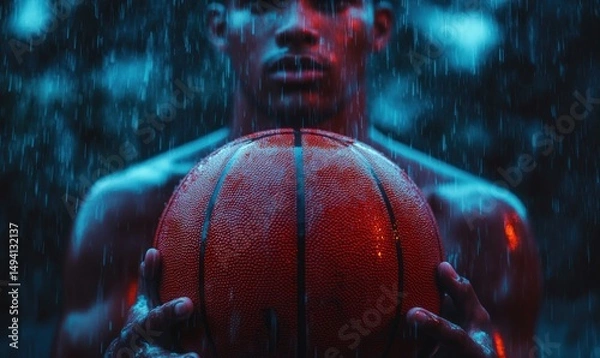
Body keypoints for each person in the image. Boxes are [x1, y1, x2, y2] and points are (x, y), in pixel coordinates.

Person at [54, 0, 543, 356]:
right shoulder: (122, 212)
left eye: (329, 4)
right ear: (220, 27)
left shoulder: (481, 224)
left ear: (379, 27)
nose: (296, 26)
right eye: (264, 4)